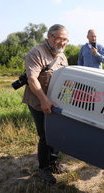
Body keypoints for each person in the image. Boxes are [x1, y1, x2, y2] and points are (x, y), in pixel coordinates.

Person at [22, 24, 69, 184]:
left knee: (56, 133)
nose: (62, 43)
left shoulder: (62, 56)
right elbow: (32, 79)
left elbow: (66, 78)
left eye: (65, 40)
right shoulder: (36, 52)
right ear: (48, 37)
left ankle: (54, 163)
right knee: (45, 135)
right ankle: (44, 168)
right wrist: (44, 100)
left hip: (56, 102)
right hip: (38, 101)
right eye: (58, 38)